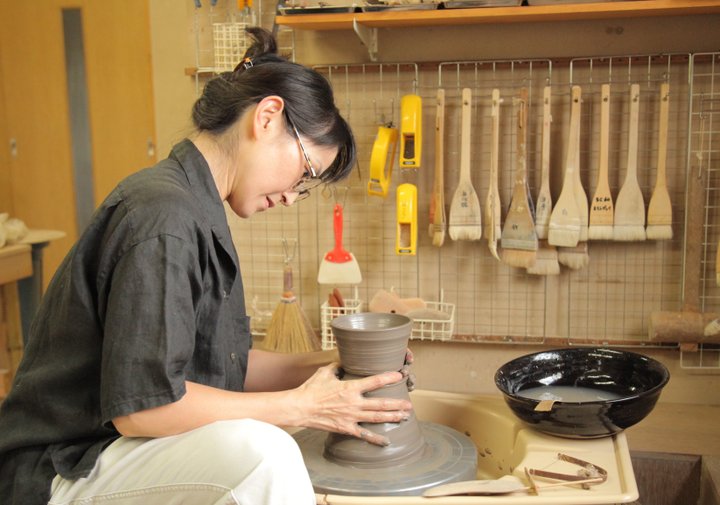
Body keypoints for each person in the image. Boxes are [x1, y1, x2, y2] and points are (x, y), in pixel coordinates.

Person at [0, 27, 412, 505]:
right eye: (305, 173)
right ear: (268, 118)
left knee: (269, 439)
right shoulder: (164, 216)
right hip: (62, 467)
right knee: (266, 453)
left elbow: (225, 368)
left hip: (111, 450)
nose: (292, 196)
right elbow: (145, 410)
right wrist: (300, 406)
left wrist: (339, 368)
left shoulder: (196, 209)